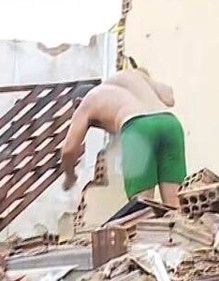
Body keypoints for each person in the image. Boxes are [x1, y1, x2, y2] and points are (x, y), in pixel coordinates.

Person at [60, 59, 187, 208]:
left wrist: (70, 176)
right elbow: (169, 98)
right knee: (176, 207)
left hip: (138, 129)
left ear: (78, 101)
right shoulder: (131, 76)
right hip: (170, 123)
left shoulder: (87, 102)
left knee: (142, 210)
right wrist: (147, 79)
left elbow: (68, 150)